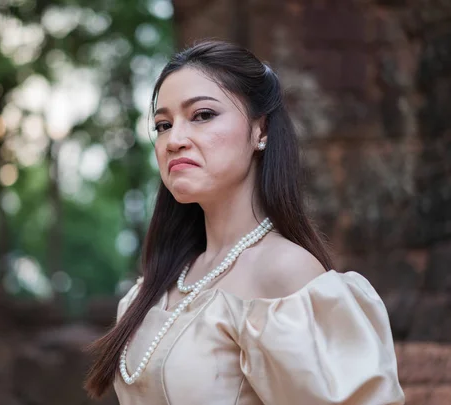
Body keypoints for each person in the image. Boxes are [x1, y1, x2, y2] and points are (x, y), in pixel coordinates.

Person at [85, 40, 405, 405]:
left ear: (261, 131)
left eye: (203, 115)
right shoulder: (149, 290)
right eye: (162, 124)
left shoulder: (284, 272)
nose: (174, 140)